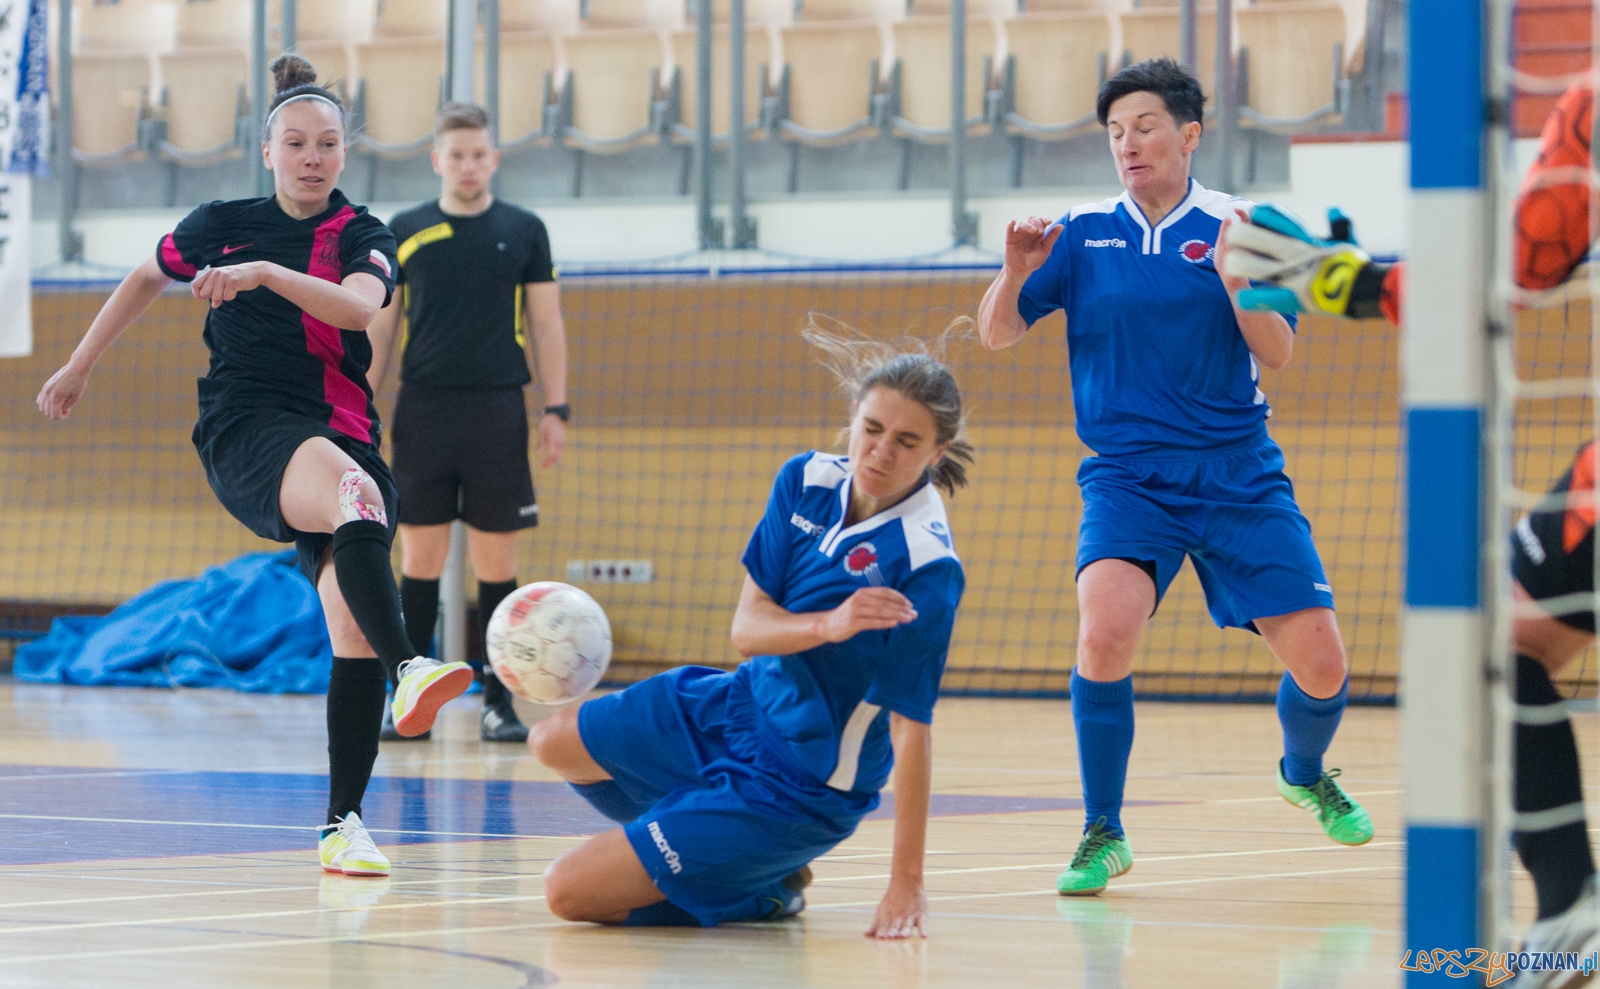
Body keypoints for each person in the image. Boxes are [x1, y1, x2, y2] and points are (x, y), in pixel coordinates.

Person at [1221, 0, 1600, 956]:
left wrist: (1338, 277)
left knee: (1494, 645)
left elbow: (1513, 272)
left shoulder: (1591, 103)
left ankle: (1569, 901)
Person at [35, 55, 474, 878]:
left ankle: (343, 824)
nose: (314, 157)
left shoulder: (365, 236)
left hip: (343, 429)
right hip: (247, 427)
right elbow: (142, 276)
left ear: (346, 154)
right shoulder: (219, 221)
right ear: (267, 149)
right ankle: (410, 665)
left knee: (350, 611)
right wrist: (80, 362)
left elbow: (359, 307)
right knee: (352, 498)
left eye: (330, 144)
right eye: (298, 143)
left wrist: (266, 273)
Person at [976, 58, 1374, 898]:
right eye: (1116, 132)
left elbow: (1278, 351)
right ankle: (1102, 830)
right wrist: (1013, 271)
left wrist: (1238, 279)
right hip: (1127, 478)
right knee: (1103, 631)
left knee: (1325, 668)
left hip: (1238, 476)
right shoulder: (1081, 232)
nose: (1129, 144)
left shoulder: (1244, 223)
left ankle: (1303, 770)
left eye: (1146, 126)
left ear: (1190, 133)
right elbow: (996, 336)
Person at [526, 318, 971, 936]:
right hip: (736, 705)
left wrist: (906, 883)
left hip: (801, 783)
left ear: (936, 453)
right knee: (552, 741)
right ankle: (729, 855)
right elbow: (748, 629)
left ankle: (759, 890)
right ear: (852, 415)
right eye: (870, 429)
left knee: (569, 894)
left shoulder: (926, 567)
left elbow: (911, 731)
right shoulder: (806, 481)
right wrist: (831, 624)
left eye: (906, 441)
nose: (879, 452)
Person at [368, 101, 568, 744]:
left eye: (480, 154)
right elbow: (383, 326)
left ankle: (500, 705)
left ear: (495, 159)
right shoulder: (404, 228)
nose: (469, 166)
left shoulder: (525, 229)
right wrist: (359, 404)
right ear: (437, 161)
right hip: (423, 409)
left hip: (497, 410)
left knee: (496, 564)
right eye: (456, 155)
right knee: (419, 560)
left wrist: (555, 409)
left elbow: (546, 324)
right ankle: (410, 700)